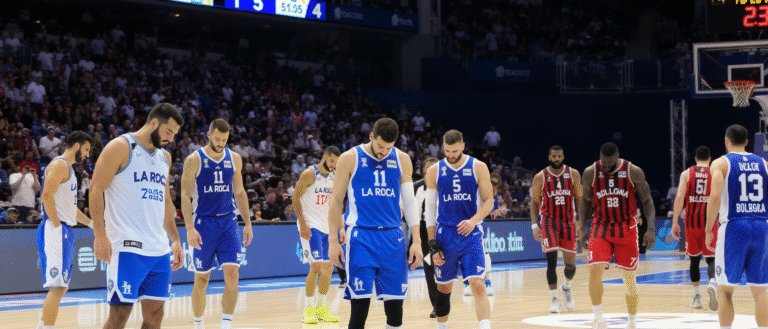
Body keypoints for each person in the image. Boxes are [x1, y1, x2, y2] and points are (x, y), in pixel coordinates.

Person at [89, 103, 185, 329]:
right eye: (168, 132)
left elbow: (165, 201)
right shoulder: (120, 147)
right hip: (126, 247)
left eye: (174, 134)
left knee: (154, 318)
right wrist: (99, 235)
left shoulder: (165, 158)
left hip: (158, 249)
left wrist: (175, 240)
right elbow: (95, 190)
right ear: (154, 123)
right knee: (119, 316)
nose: (171, 138)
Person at [327, 118, 423, 329]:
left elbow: (409, 202)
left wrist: (416, 240)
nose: (383, 152)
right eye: (380, 146)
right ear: (371, 136)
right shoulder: (349, 158)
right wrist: (333, 241)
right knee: (360, 306)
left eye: (388, 147)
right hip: (361, 237)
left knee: (395, 310)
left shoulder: (402, 159)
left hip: (393, 237)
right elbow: (335, 201)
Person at [181, 119, 254, 329]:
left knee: (233, 274)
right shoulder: (194, 160)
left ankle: (226, 326)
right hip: (203, 223)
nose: (221, 143)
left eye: (224, 139)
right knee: (201, 280)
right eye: (217, 138)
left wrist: (248, 223)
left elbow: (239, 192)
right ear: (209, 134)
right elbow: (185, 195)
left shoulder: (235, 158)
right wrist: (189, 228)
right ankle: (198, 325)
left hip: (229, 221)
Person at [577, 142, 655, 329]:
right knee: (594, 270)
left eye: (610, 162)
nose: (606, 165)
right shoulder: (590, 172)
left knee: (629, 279)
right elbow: (585, 202)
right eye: (604, 162)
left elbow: (647, 200)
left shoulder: (633, 171)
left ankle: (632, 321)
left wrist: (651, 229)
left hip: (626, 227)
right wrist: (581, 227)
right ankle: (598, 318)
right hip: (601, 226)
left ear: (618, 156)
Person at [425, 130, 494, 329]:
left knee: (477, 284)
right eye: (447, 151)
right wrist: (431, 242)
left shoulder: (478, 167)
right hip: (445, 235)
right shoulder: (434, 170)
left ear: (463, 146)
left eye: (455, 151)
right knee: (443, 288)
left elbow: (489, 200)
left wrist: (473, 221)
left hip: (471, 234)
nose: (451, 155)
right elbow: (429, 208)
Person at [705, 124, 768, 329]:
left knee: (725, 290)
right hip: (761, 226)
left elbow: (714, 197)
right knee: (760, 290)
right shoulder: (764, 163)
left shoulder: (721, 163)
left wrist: (708, 229)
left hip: (734, 226)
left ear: (726, 140)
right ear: (747, 141)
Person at [35, 131, 95, 329]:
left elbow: (70, 208)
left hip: (63, 229)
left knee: (61, 286)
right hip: (57, 229)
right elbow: (46, 195)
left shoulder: (67, 168)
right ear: (76, 145)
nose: (87, 154)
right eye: (86, 149)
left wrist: (92, 224)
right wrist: (57, 226)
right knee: (58, 286)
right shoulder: (60, 164)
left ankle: (43, 326)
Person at [530, 145, 582, 313]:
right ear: (549, 157)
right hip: (549, 222)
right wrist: (534, 225)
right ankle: (554, 299)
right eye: (554, 156)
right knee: (551, 262)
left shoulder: (573, 174)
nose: (557, 159)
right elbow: (535, 202)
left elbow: (580, 198)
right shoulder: (540, 177)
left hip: (569, 222)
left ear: (563, 156)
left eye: (559, 156)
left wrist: (580, 223)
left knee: (570, 266)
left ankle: (566, 287)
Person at [294, 146, 341, 324]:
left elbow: (336, 203)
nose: (334, 165)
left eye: (336, 163)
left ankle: (321, 308)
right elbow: (295, 198)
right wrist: (303, 223)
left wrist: (341, 228)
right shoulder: (309, 173)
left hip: (327, 226)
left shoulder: (336, 176)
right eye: (331, 161)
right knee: (316, 267)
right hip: (311, 224)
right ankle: (308, 309)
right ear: (324, 157)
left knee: (329, 268)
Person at [671, 146, 718, 311]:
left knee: (694, 260)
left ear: (696, 158)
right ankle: (712, 283)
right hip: (710, 223)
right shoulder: (715, 172)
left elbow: (679, 197)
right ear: (710, 158)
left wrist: (675, 222)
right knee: (712, 258)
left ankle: (697, 297)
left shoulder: (686, 173)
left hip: (691, 223)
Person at [414, 156, 439, 318]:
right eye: (426, 170)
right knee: (430, 271)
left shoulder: (445, 186)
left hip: (443, 231)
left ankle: (444, 302)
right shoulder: (415, 187)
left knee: (443, 270)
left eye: (432, 169)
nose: (428, 173)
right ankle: (436, 306)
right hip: (424, 232)